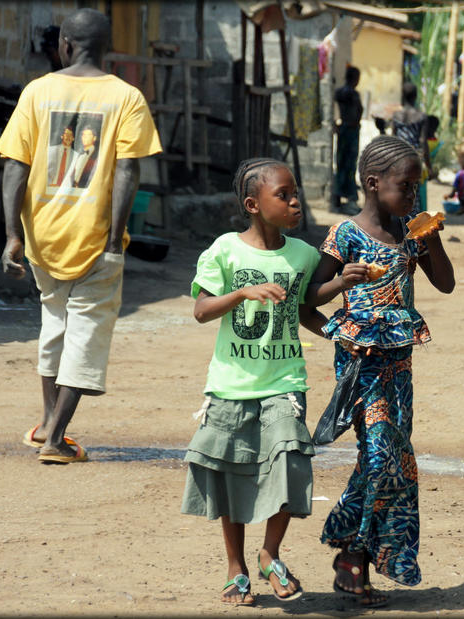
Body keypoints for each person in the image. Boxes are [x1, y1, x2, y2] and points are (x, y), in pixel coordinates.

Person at [180, 158, 369, 607]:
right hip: (230, 385)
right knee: (231, 475)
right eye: (283, 195)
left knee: (289, 463)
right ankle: (235, 567)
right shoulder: (225, 250)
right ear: (253, 204)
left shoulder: (302, 255)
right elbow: (202, 310)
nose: (294, 202)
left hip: (285, 382)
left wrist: (339, 318)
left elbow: (306, 309)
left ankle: (270, 554)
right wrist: (242, 292)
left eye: (295, 193)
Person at [0, 8, 162, 464]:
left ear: (65, 44)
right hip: (95, 239)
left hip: (43, 239)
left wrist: (13, 235)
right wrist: (115, 236)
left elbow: (14, 166)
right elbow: (128, 170)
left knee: (55, 327)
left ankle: (48, 423)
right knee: (85, 335)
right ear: (105, 47)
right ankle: (55, 440)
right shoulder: (126, 97)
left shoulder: (38, 91)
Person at [305, 135, 455, 607]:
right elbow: (310, 294)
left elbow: (446, 285)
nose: (414, 196)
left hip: (399, 364)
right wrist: (339, 284)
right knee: (378, 453)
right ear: (373, 184)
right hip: (360, 364)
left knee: (394, 458)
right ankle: (353, 555)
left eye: (417, 188)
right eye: (406, 187)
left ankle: (356, 553)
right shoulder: (344, 236)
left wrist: (430, 243)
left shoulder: (412, 234)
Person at [390, 82, 431, 216]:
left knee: (399, 189)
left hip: (398, 157)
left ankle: (399, 221)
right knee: (413, 191)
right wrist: (429, 165)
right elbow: (422, 141)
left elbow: (394, 138)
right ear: (415, 96)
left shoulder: (396, 116)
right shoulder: (421, 116)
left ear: (403, 96)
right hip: (413, 158)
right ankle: (412, 225)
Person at [333, 65, 363, 215]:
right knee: (350, 164)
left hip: (343, 128)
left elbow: (331, 109)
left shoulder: (339, 92)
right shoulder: (354, 94)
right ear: (355, 78)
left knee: (340, 162)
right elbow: (359, 110)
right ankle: (350, 196)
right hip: (351, 130)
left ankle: (337, 196)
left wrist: (335, 124)